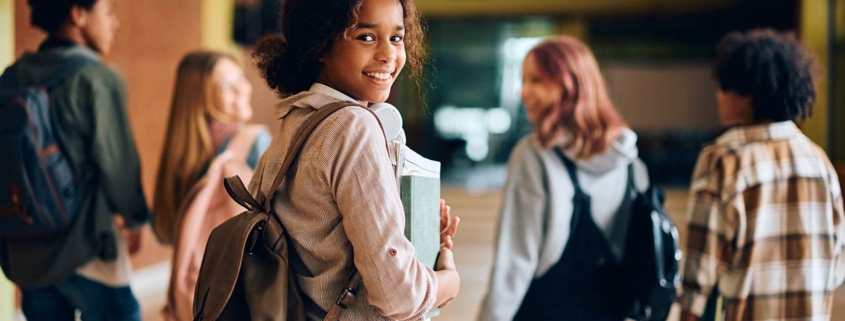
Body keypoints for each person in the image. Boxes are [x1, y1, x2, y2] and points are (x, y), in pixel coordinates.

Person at [249, 0, 460, 319]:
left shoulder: (296, 120)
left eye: (396, 38)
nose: (388, 55)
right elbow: (399, 294)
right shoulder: (354, 126)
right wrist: (448, 280)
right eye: (366, 37)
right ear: (320, 41)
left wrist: (415, 237)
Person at [478, 36, 650, 321]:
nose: (523, 92)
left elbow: (514, 264)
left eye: (536, 80)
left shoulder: (534, 156)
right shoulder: (630, 162)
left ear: (569, 85)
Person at [679, 29, 845, 321]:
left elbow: (699, 270)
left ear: (748, 95)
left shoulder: (722, 160)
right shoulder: (818, 161)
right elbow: (836, 266)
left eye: (725, 86)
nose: (718, 95)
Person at [0, 0, 149, 320]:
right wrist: (135, 218)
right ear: (78, 14)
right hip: (86, 246)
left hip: (26, 247)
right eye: (107, 11)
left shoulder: (12, 76)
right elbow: (118, 165)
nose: (114, 23)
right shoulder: (97, 77)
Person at [151, 51, 271, 321]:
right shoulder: (255, 141)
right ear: (201, 97)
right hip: (239, 288)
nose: (243, 88)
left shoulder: (181, 155)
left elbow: (165, 231)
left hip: (197, 292)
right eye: (227, 86)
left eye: (240, 78)